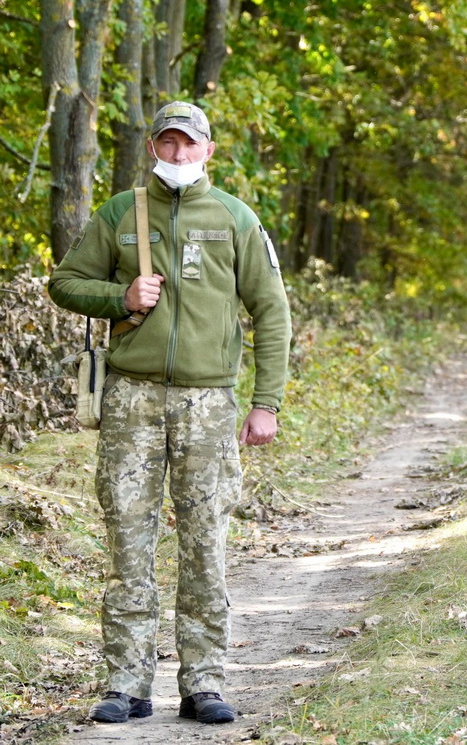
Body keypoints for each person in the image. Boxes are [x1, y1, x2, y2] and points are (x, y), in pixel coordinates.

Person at [49, 102, 292, 724]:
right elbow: (66, 283)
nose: (178, 156)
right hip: (131, 398)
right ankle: (125, 684)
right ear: (152, 148)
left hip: (210, 403)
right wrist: (119, 297)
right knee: (128, 541)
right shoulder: (120, 214)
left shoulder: (236, 218)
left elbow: (272, 313)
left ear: (209, 150)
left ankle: (203, 681)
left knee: (205, 542)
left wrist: (266, 402)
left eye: (189, 145)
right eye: (168, 144)